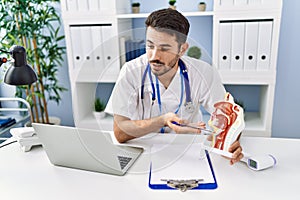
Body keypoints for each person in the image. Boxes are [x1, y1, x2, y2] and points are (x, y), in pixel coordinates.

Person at [105, 8, 243, 165]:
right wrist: (162, 120)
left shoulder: (204, 72)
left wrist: (230, 143)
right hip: (143, 150)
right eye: (150, 46)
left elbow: (229, 120)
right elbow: (120, 132)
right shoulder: (131, 71)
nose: (154, 56)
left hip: (188, 151)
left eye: (164, 48)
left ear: (182, 49)